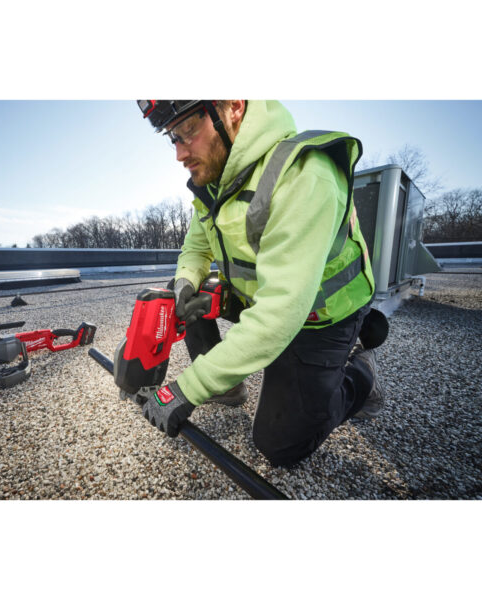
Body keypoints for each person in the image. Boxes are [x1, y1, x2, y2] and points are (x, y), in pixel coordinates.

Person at [135, 100, 384, 468]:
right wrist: (185, 283)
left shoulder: (302, 174)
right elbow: (197, 247)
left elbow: (279, 313)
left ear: (234, 107)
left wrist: (188, 388)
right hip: (263, 300)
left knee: (279, 444)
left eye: (188, 131)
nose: (179, 153)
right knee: (183, 290)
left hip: (320, 316)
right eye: (173, 137)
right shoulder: (214, 180)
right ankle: (227, 384)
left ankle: (362, 376)